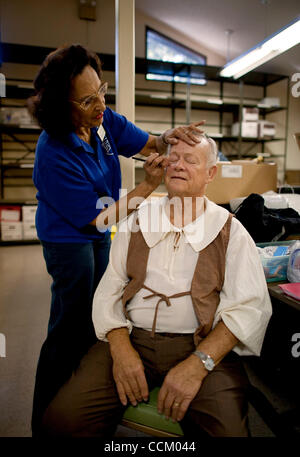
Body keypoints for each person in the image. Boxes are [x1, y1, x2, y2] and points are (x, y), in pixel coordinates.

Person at [41, 133, 273, 437]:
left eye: (191, 160)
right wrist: (121, 351)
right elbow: (109, 290)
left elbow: (249, 307)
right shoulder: (137, 220)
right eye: (173, 157)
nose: (178, 165)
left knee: (229, 432)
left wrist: (199, 363)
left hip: (201, 345)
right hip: (130, 338)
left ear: (210, 174)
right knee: (62, 421)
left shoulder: (230, 231)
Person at [28, 43, 205, 434]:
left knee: (100, 311)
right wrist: (147, 188)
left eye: (102, 91)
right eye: (88, 99)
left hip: (99, 227)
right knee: (69, 324)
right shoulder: (53, 151)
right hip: (69, 237)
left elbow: (148, 144)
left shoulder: (102, 121)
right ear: (62, 105)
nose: (100, 104)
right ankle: (46, 420)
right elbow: (97, 218)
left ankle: (85, 397)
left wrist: (169, 139)